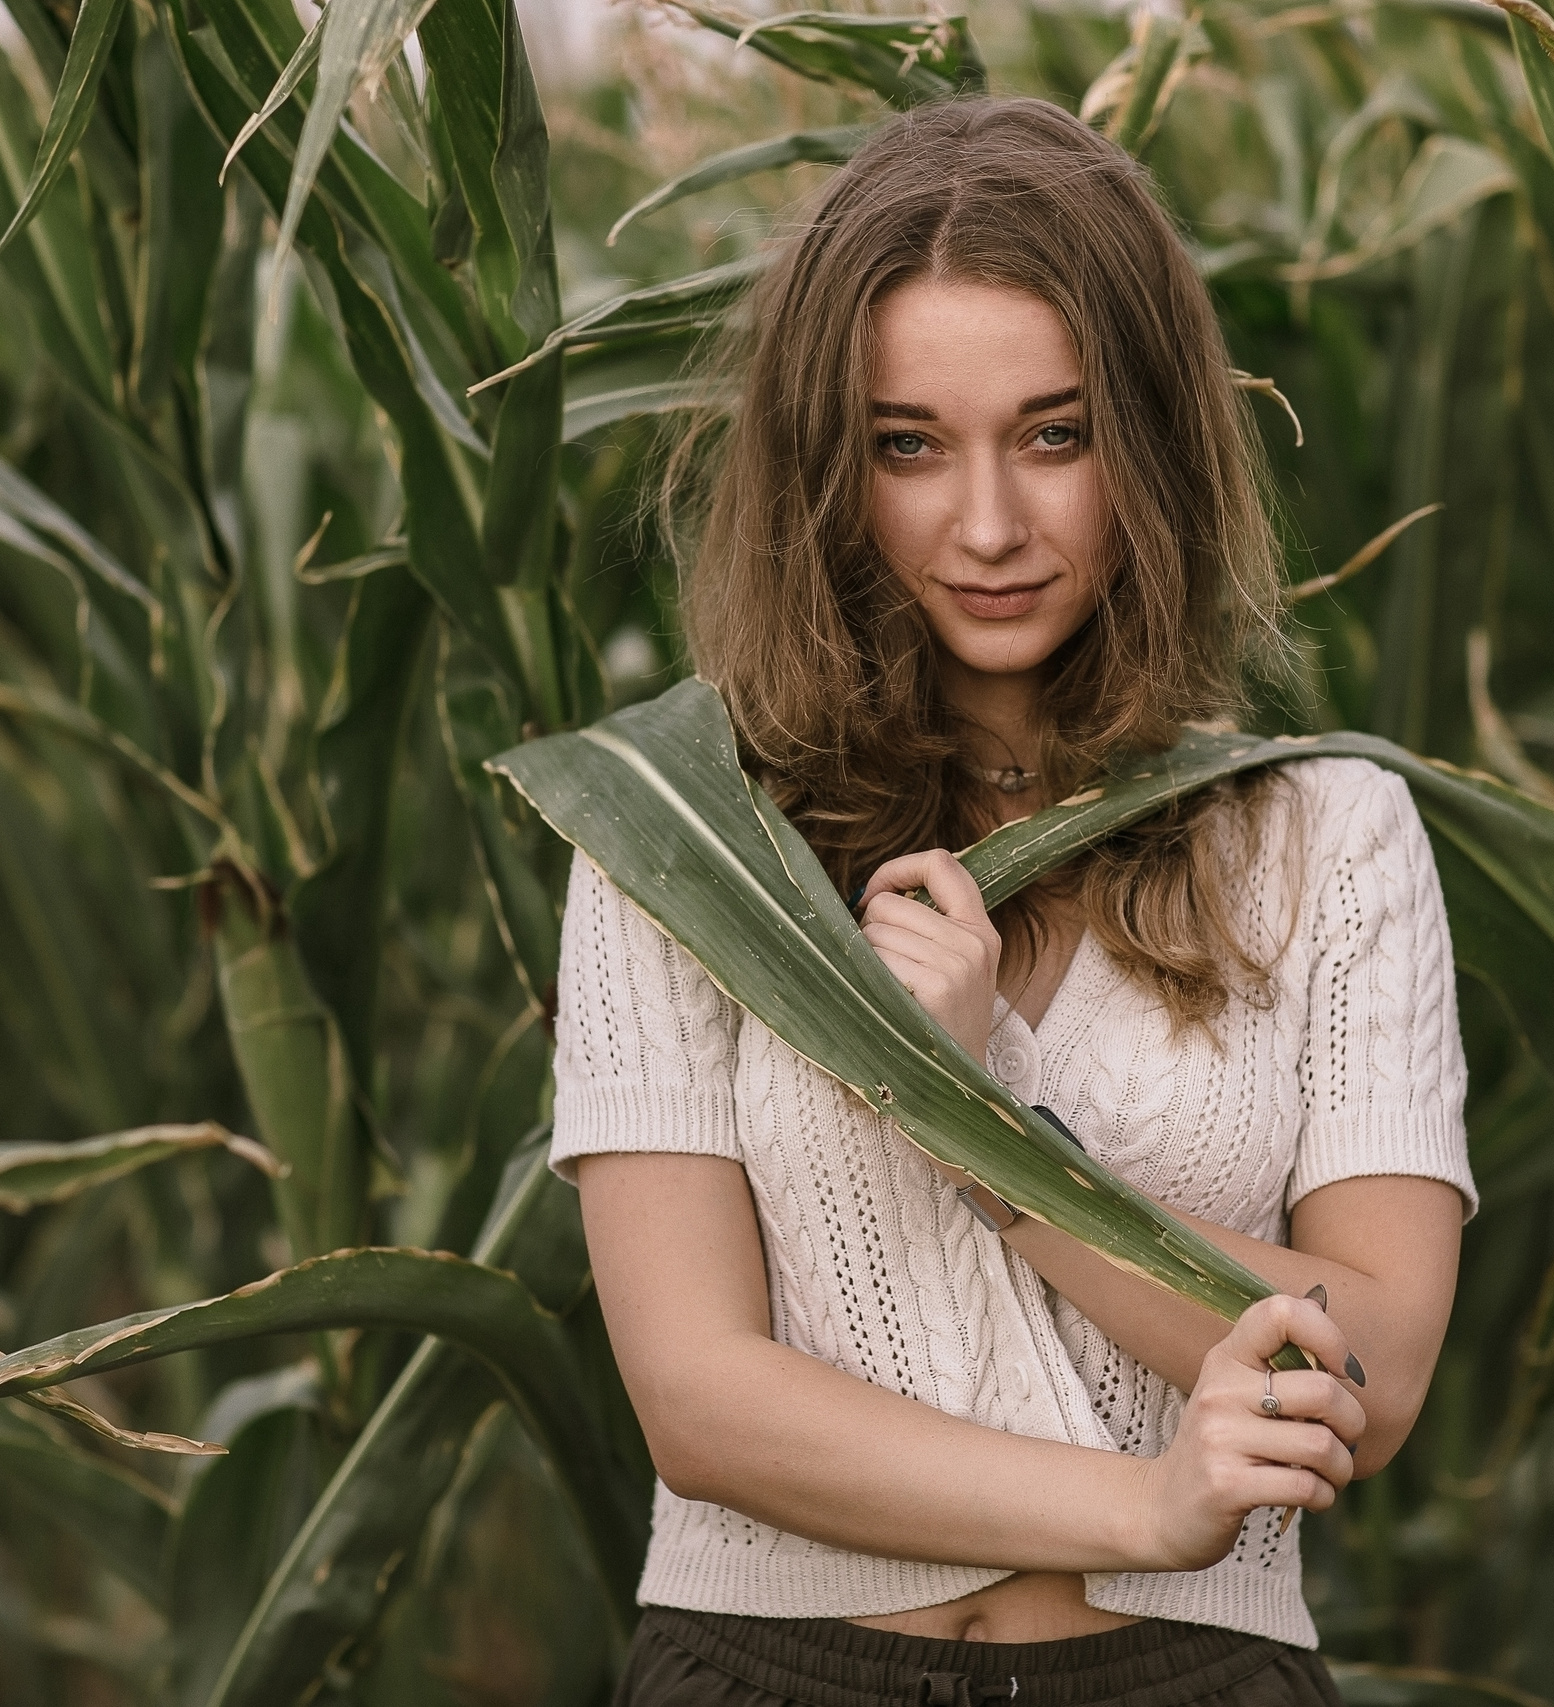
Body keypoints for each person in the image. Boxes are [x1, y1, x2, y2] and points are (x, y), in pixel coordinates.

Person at [554, 95, 1473, 1707]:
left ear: (1154, 444)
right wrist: (1146, 1507)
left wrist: (984, 1120)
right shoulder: (683, 833)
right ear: (830, 467)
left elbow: (1368, 1375)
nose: (987, 527)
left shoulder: (1329, 837)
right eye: (908, 445)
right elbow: (698, 1404)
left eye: (1057, 435)